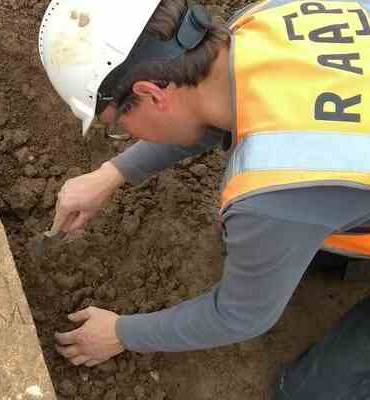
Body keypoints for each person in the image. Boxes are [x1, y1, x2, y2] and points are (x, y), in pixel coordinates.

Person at [37, 0, 370, 387]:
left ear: (151, 94)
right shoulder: (265, 20)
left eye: (120, 127)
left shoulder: (273, 197)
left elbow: (241, 315)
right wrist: (112, 172)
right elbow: (199, 111)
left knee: (313, 391)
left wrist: (120, 333)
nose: (129, 137)